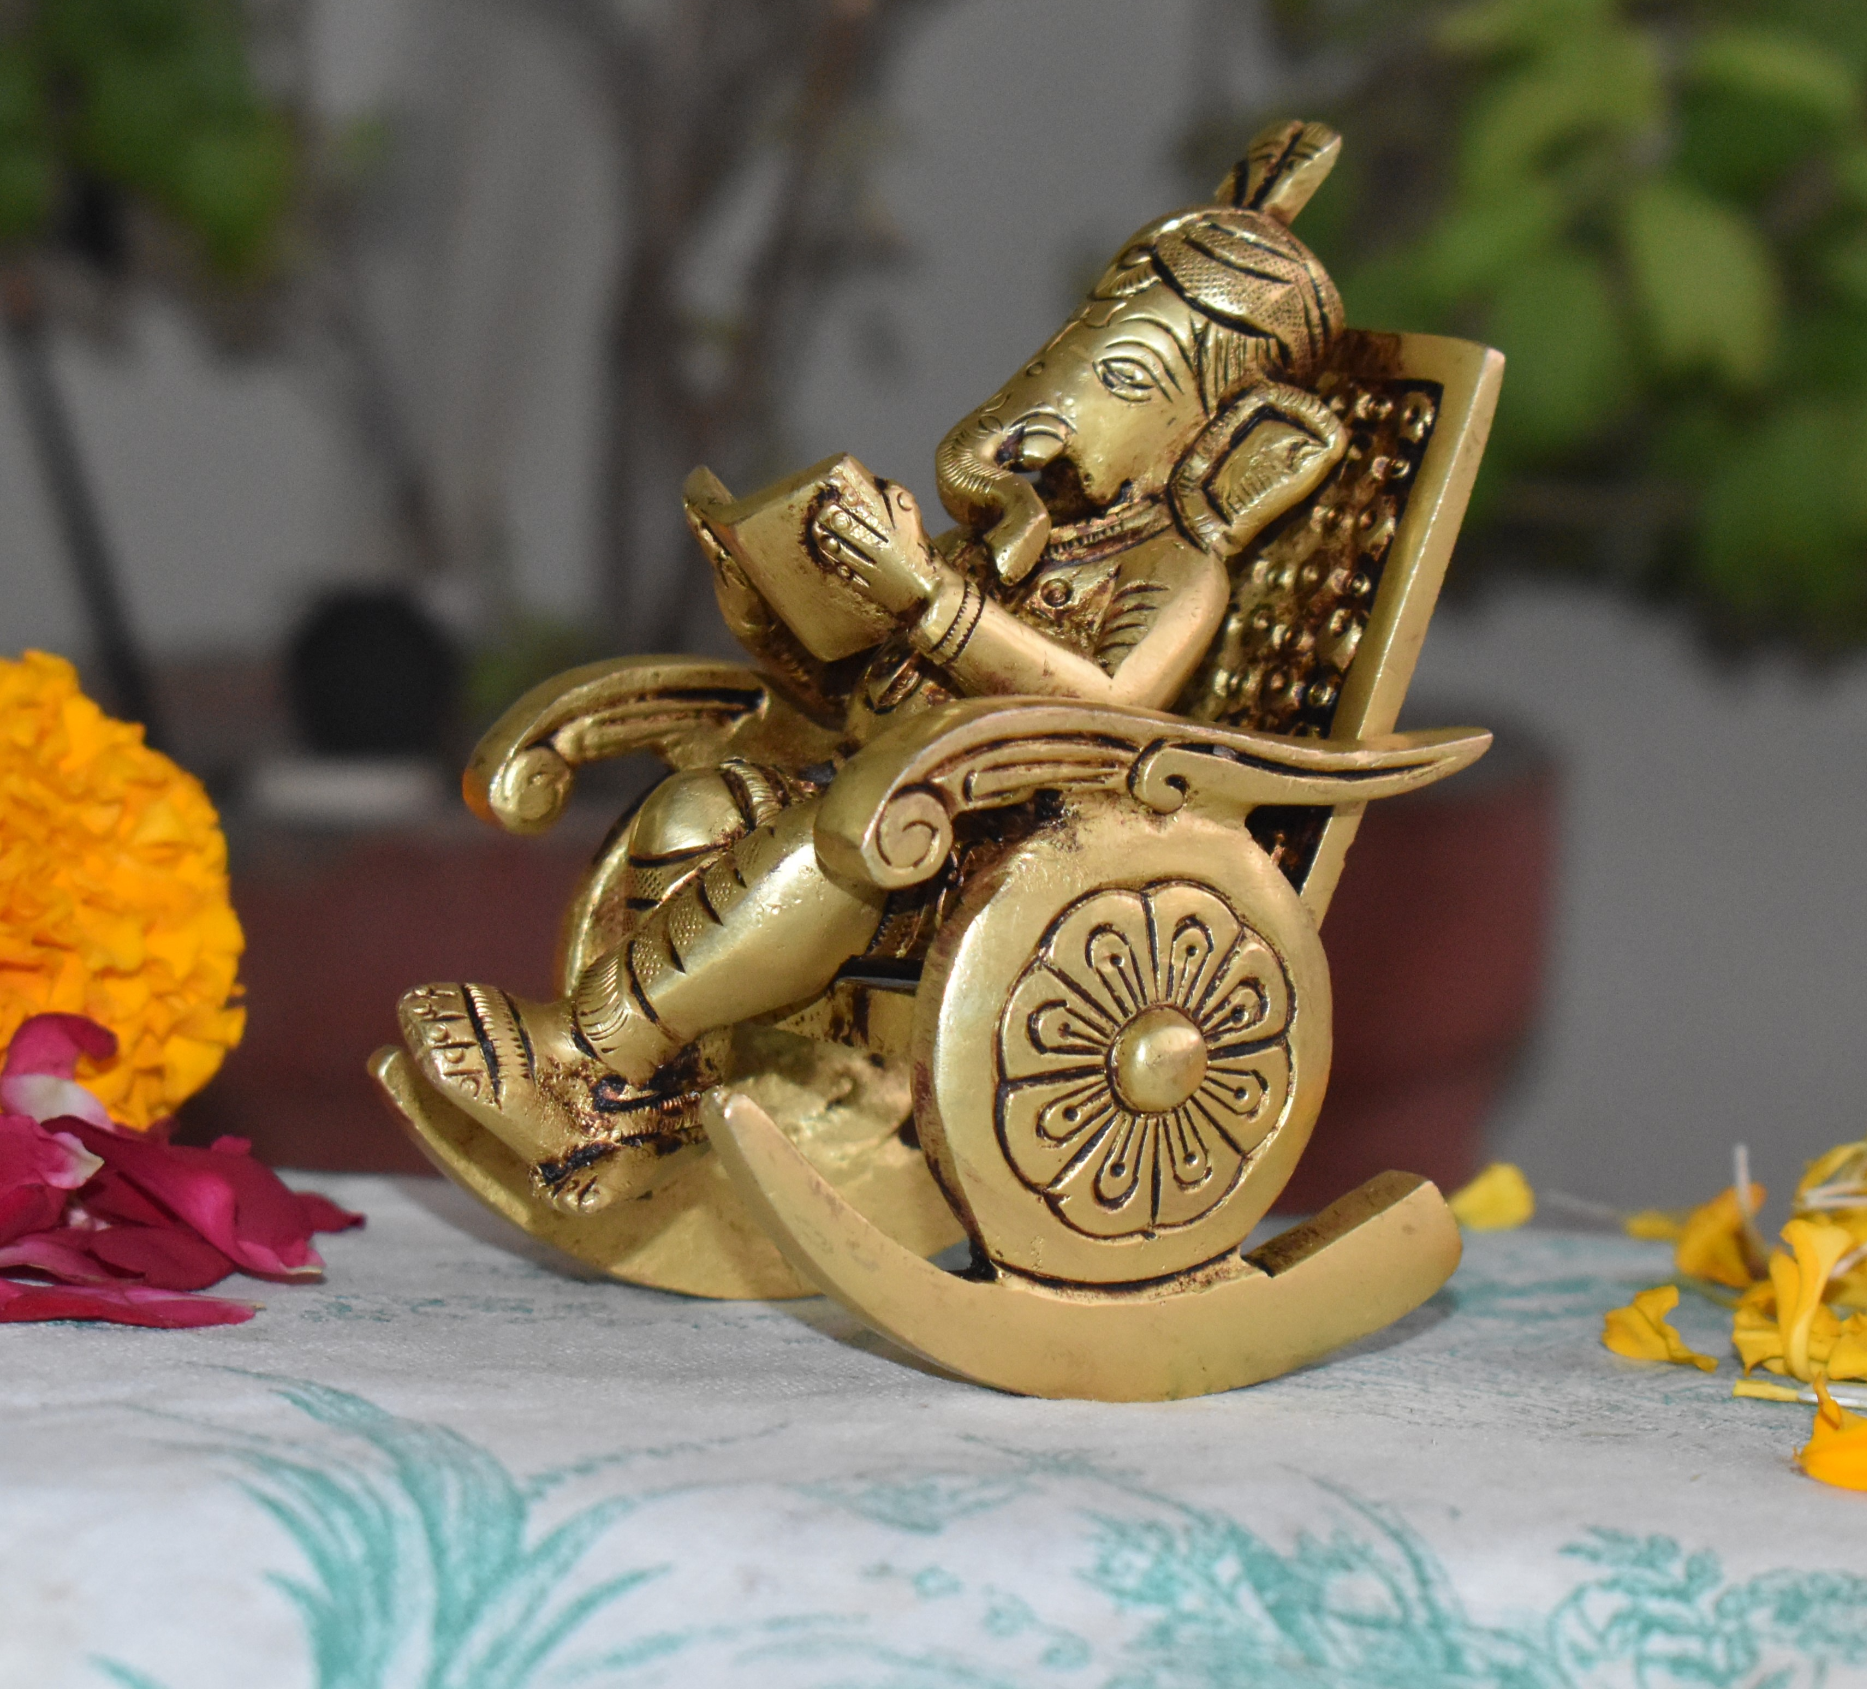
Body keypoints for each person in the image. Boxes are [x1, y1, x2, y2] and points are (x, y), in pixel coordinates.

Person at [400, 121, 1353, 1210]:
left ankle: (585, 1052)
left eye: (1122, 376)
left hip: (977, 842)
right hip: (882, 791)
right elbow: (869, 687)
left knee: (834, 842)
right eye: (1069, 351)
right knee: (698, 810)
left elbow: (1108, 704)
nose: (1060, 386)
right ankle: (648, 1105)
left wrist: (929, 602)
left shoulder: (1172, 571)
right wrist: (776, 604)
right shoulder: (1019, 539)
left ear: (1223, 443)